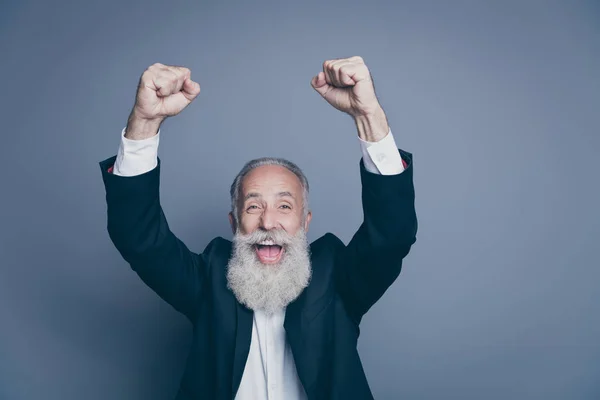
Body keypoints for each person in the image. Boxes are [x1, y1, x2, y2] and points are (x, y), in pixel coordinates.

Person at [99, 56, 417, 400]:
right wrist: (144, 123)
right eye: (253, 206)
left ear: (305, 223)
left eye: (284, 206)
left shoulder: (336, 275)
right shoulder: (209, 277)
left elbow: (391, 235)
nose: (268, 222)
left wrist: (368, 116)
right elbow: (139, 238)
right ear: (235, 223)